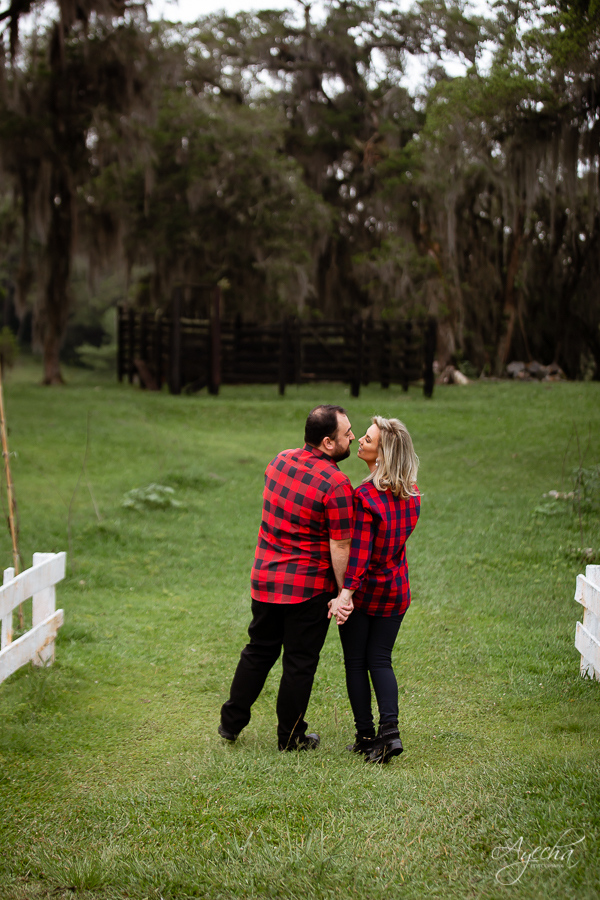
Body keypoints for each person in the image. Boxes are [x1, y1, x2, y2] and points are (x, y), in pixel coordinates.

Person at [219, 405, 355, 751]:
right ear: (328, 443)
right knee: (299, 663)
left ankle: (230, 723)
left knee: (258, 651)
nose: (352, 437)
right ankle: (291, 739)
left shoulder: (279, 461)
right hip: (307, 589)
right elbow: (340, 545)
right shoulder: (337, 484)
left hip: (265, 578)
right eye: (347, 434)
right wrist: (345, 592)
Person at [331, 416, 420, 764]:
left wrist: (345, 594)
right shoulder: (411, 494)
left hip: (366, 593)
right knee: (381, 660)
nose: (360, 441)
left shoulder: (365, 497)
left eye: (368, 439)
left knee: (356, 662)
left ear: (383, 453)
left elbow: (361, 554)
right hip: (396, 590)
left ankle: (366, 736)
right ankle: (391, 732)